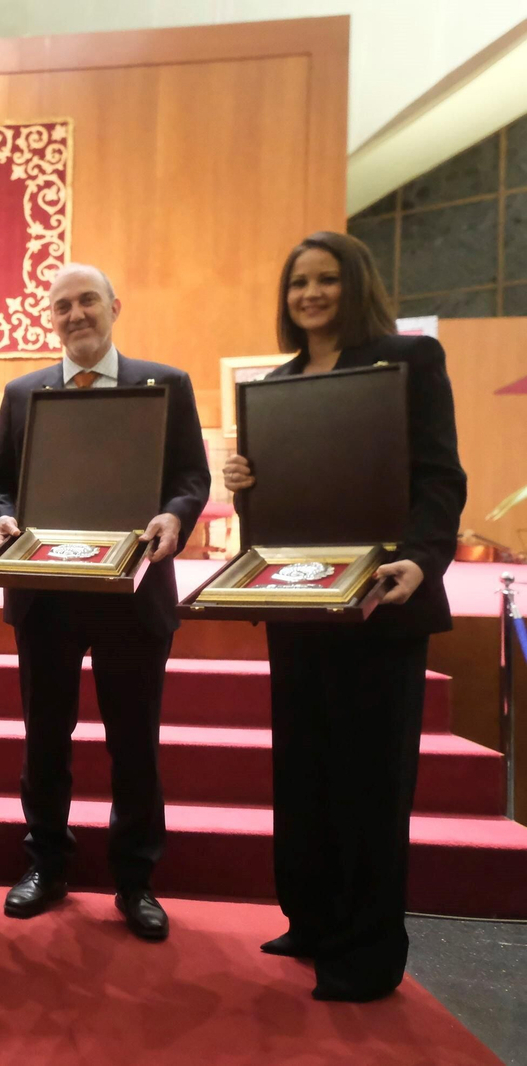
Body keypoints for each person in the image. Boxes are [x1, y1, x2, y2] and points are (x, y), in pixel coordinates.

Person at [223, 231, 465, 1001]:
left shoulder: (408, 364)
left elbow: (439, 478)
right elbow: (289, 502)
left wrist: (421, 560)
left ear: (353, 285)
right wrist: (246, 483)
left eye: (326, 280)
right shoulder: (282, 381)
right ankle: (315, 918)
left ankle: (365, 951)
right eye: (299, 284)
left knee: (369, 781)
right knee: (305, 770)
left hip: (379, 604)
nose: (311, 295)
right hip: (299, 603)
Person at [0, 263, 209, 941]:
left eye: (88, 301)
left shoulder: (164, 384)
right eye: (63, 306)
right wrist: (1, 521)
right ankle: (46, 865)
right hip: (47, 598)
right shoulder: (23, 393)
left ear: (114, 305)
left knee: (133, 743)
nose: (76, 314)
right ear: (48, 317)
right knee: (45, 741)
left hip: (133, 594)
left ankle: (135, 878)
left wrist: (175, 517)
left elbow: (190, 476)